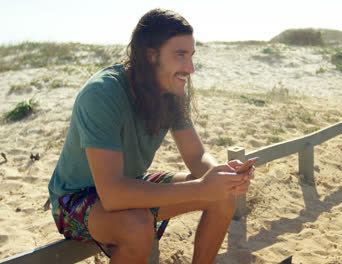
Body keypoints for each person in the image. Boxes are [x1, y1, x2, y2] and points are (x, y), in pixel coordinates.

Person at [48, 8, 254, 264]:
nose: (190, 68)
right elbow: (112, 195)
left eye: (191, 56)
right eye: (180, 55)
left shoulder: (171, 88)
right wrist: (201, 187)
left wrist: (222, 177)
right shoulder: (102, 94)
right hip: (75, 198)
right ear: (150, 55)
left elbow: (197, 155)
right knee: (138, 226)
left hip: (130, 183)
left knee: (222, 196)